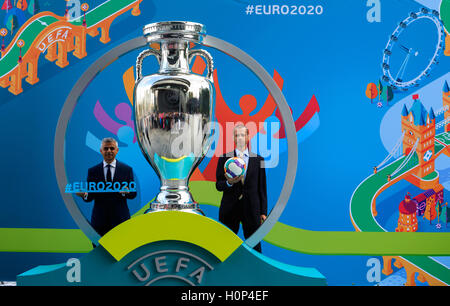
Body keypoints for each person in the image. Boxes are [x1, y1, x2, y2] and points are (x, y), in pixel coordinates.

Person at [216, 124, 267, 252]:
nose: (240, 138)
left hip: (251, 208)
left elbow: (262, 188)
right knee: (223, 246)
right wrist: (229, 182)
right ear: (233, 138)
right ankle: (224, 271)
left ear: (248, 137)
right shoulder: (224, 158)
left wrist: (263, 212)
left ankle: (256, 271)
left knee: (255, 246)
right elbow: (218, 185)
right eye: (237, 135)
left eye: (242, 135)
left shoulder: (258, 160)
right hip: (229, 209)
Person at [76, 137, 137, 238]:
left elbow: (133, 194)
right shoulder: (93, 171)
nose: (109, 151)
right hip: (100, 221)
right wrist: (84, 195)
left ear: (117, 150)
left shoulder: (127, 170)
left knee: (121, 250)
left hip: (120, 219)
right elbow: (90, 197)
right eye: (106, 148)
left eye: (112, 148)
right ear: (101, 151)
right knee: (99, 251)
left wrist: (126, 192)